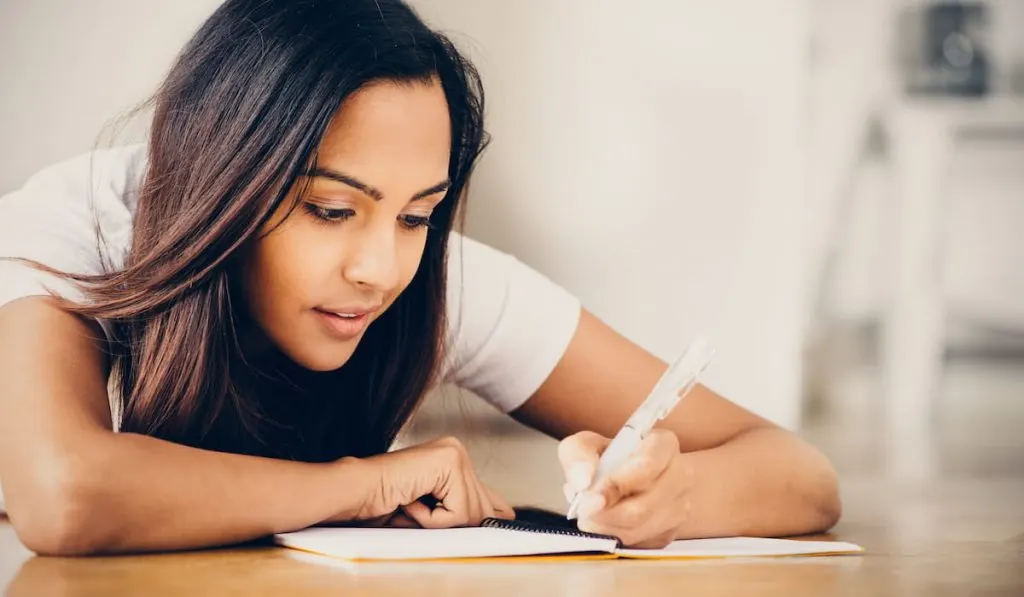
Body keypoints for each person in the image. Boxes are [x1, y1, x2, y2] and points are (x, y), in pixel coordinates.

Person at [0, 0, 841, 557]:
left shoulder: (437, 282)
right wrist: (361, 485)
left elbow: (801, 475)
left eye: (417, 215)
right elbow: (59, 492)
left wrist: (673, 494)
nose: (381, 269)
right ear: (226, 175)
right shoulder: (85, 223)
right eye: (332, 209)